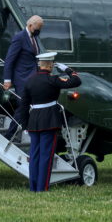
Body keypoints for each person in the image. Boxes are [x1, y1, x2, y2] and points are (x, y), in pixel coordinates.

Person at [18, 52, 81, 192]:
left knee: (34, 156)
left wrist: (24, 125)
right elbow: (76, 81)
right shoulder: (53, 79)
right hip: (49, 121)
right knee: (46, 156)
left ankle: (33, 187)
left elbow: (23, 105)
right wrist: (68, 70)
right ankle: (42, 188)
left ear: (39, 64)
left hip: (33, 121)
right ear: (51, 65)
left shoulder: (30, 81)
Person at [2, 15, 44, 139]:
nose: (39, 31)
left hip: (32, 78)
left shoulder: (34, 37)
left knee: (27, 105)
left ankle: (22, 131)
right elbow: (9, 59)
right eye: (38, 28)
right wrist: (7, 79)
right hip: (22, 78)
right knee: (24, 105)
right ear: (30, 25)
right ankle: (11, 134)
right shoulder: (20, 37)